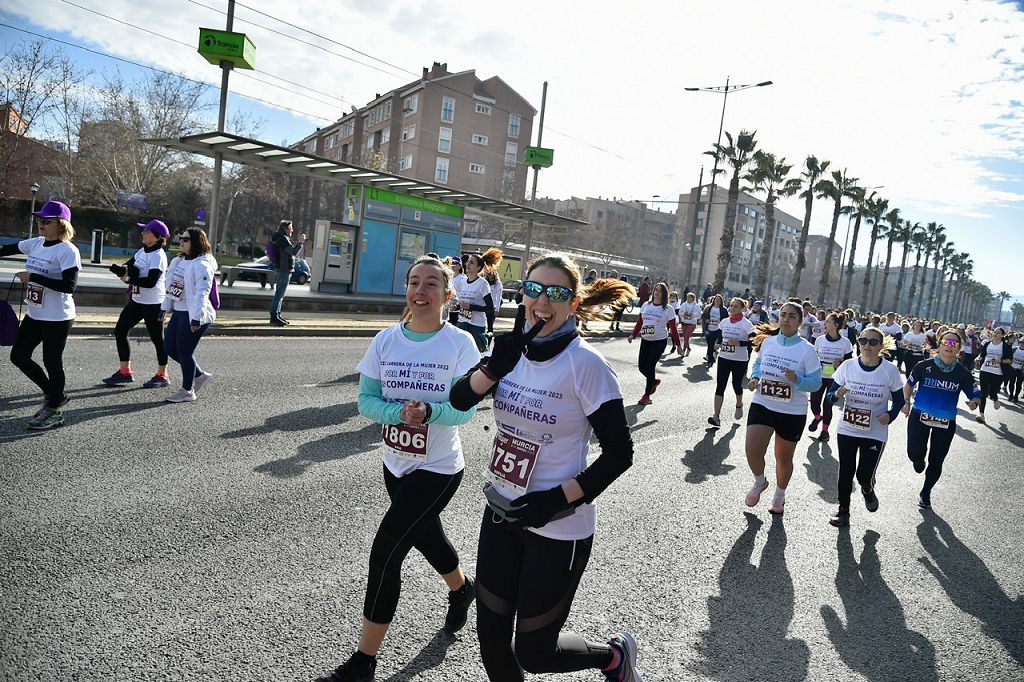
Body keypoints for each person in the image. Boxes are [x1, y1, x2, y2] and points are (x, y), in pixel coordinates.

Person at [449, 255, 642, 682]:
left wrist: (555, 500)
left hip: (557, 526)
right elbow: (459, 399)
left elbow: (619, 453)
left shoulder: (587, 366)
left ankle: (613, 657)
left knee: (534, 654)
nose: (541, 300)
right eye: (533, 289)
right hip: (502, 511)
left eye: (556, 293)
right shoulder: (511, 351)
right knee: (492, 642)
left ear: (572, 304)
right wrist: (496, 366)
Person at [317, 256, 480, 682]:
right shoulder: (387, 340)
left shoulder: (461, 344)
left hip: (439, 468)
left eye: (430, 284)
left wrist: (427, 413)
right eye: (413, 283)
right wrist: (398, 413)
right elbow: (365, 402)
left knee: (386, 551)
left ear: (448, 296)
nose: (420, 291)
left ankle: (363, 662)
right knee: (428, 537)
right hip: (395, 464)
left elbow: (465, 411)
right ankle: (463, 589)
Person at [2, 200, 81, 430]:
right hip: (36, 313)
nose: (40, 224)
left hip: (58, 317)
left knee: (51, 361)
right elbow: (9, 248)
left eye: (46, 221)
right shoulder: (36, 243)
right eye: (38, 220)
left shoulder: (68, 251)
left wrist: (33, 277)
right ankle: (54, 394)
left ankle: (55, 410)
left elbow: (69, 286)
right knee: (19, 356)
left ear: (61, 224)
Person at [743, 301, 823, 515]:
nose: (786, 319)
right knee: (752, 449)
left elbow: (815, 382)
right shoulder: (768, 343)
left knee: (783, 458)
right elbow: (759, 364)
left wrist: (797, 379)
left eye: (792, 316)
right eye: (783, 315)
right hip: (763, 403)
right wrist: (755, 377)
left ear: (800, 321)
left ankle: (779, 495)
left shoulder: (807, 350)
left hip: (792, 410)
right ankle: (760, 482)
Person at [824, 326, 905, 527]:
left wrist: (891, 415)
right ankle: (844, 511)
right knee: (846, 470)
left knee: (863, 476)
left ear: (880, 346)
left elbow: (899, 400)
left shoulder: (890, 370)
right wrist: (836, 394)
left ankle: (868, 489)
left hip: (875, 430)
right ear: (858, 343)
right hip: (848, 427)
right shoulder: (847, 366)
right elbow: (829, 397)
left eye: (873, 342)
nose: (867, 345)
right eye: (863, 341)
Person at [903, 330, 981, 509]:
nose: (949, 346)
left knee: (937, 460)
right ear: (940, 344)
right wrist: (906, 401)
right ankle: (918, 459)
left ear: (959, 350)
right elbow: (908, 385)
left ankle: (926, 492)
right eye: (947, 342)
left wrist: (974, 403)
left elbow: (975, 394)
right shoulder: (923, 366)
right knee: (914, 454)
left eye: (954, 344)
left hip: (945, 422)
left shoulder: (963, 373)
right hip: (919, 416)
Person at [101, 219, 170, 388]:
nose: (143, 233)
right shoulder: (142, 251)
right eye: (144, 230)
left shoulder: (158, 255)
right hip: (137, 301)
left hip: (154, 303)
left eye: (147, 231)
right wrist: (121, 270)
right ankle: (125, 372)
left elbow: (151, 281)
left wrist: (130, 278)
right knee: (120, 331)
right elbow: (129, 266)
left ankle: (163, 374)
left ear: (158, 237)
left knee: (157, 339)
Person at [161, 227, 217, 403]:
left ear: (196, 242)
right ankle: (199, 376)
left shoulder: (202, 264)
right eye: (180, 238)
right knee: (170, 348)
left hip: (194, 314)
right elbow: (171, 287)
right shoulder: (178, 261)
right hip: (179, 310)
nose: (181, 242)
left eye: (185, 239)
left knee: (185, 352)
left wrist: (197, 317)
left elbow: (202, 292)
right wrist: (165, 307)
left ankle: (187, 390)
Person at [629, 281, 681, 405]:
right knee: (642, 367)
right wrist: (633, 334)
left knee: (650, 366)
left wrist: (678, 345)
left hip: (659, 341)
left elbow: (673, 328)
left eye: (660, 291)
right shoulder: (646, 305)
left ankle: (646, 396)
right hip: (646, 340)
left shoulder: (668, 309)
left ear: (664, 294)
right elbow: (640, 322)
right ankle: (653, 381)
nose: (657, 292)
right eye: (656, 290)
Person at [708, 297, 755, 426]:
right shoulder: (724, 322)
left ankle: (739, 404)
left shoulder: (746, 324)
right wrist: (717, 344)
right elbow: (720, 335)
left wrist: (740, 342)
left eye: (735, 306)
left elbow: (753, 340)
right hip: (724, 357)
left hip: (739, 360)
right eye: (731, 305)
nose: (732, 308)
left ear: (742, 309)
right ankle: (716, 416)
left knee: (736, 385)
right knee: (720, 385)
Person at [808, 312, 854, 441]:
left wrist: (840, 364)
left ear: (835, 325)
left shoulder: (845, 343)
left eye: (827, 321)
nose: (825, 324)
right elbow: (812, 357)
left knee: (827, 405)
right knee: (814, 404)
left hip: (835, 378)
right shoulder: (819, 340)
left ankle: (825, 432)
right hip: (819, 376)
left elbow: (849, 362)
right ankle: (818, 417)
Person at [455, 250, 500, 352]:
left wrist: (471, 307)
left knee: (475, 354)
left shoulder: (482, 284)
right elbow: (463, 303)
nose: (467, 264)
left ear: (479, 268)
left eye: (471, 262)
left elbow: (489, 308)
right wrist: (457, 306)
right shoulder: (462, 281)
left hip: (476, 324)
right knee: (460, 352)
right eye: (467, 262)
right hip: (462, 321)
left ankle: (488, 336)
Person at [269, 220, 306, 326]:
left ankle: (277, 315)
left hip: (282, 268)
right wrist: (301, 242)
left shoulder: (280, 238)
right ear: (285, 229)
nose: (292, 230)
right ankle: (274, 317)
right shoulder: (283, 239)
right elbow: (292, 252)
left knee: (280, 294)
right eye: (291, 228)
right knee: (279, 294)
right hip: (284, 269)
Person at [975, 327, 1012, 424]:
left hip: (997, 373)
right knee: (983, 393)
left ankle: (995, 398)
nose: (995, 334)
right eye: (994, 332)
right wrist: (978, 358)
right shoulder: (988, 344)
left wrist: (1000, 361)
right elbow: (982, 355)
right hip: (985, 370)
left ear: (1002, 335)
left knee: (992, 392)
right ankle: (981, 415)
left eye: (998, 333)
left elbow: (1009, 360)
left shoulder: (1005, 346)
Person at [701, 294, 728, 367]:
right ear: (714, 300)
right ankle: (712, 355)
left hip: (717, 329)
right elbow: (703, 316)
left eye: (719, 300)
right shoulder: (708, 308)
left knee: (711, 344)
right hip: (708, 328)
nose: (717, 301)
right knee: (709, 344)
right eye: (716, 299)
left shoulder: (723, 309)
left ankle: (710, 360)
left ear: (721, 301)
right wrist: (705, 320)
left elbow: (726, 319)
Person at [677, 292, 701, 357]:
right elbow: (679, 313)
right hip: (684, 323)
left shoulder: (696, 306)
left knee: (687, 336)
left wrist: (692, 315)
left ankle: (684, 350)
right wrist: (683, 314)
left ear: (693, 298)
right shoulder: (683, 305)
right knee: (685, 338)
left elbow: (699, 315)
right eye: (688, 297)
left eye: (690, 297)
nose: (688, 298)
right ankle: (689, 348)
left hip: (692, 323)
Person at [447, 256, 466, 326]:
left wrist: (457, 305)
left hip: (458, 310)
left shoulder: (463, 279)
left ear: (460, 266)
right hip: (448, 309)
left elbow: (464, 295)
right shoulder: (448, 278)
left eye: (455, 263)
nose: (453, 265)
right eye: (451, 263)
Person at [1009, 336, 1024, 403]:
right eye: (1021, 342)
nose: (1022, 344)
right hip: (1012, 368)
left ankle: (1016, 396)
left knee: (1019, 384)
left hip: (1021, 370)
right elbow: (1009, 357)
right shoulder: (1014, 349)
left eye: (1023, 343)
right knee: (1011, 382)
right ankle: (1011, 395)